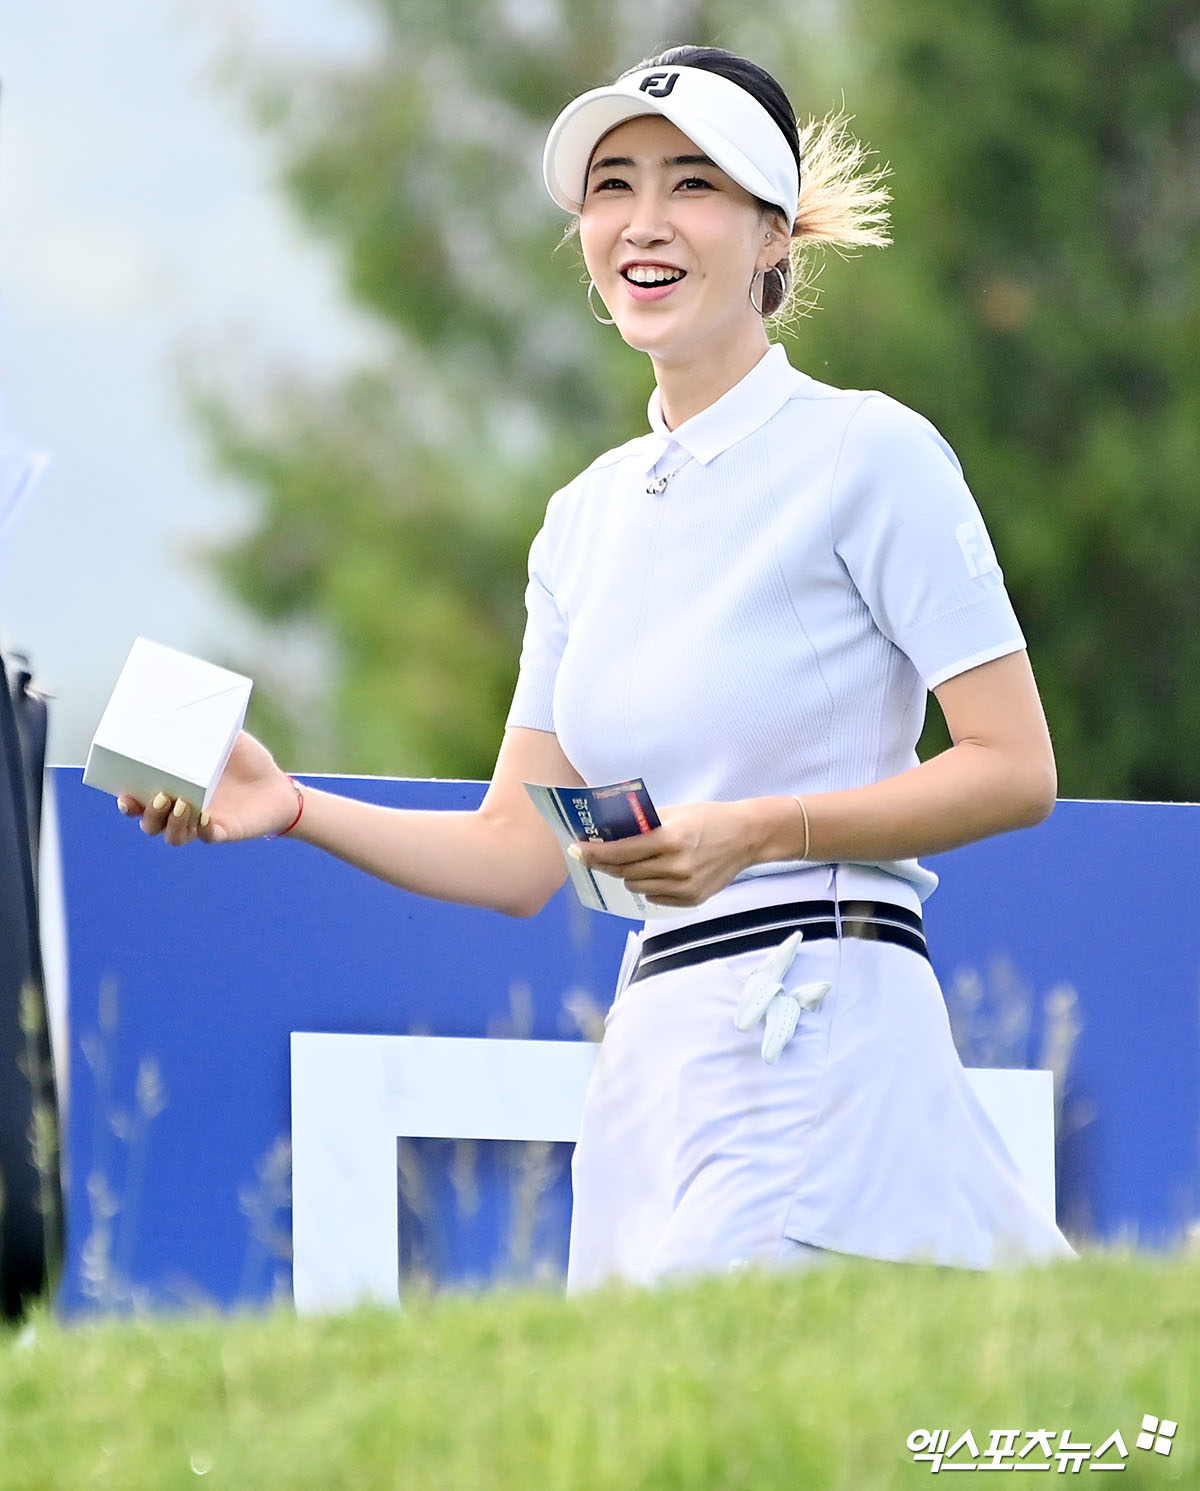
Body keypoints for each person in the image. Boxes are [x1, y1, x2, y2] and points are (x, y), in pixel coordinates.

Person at [123, 45, 1076, 1287]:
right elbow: (517, 854)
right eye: (613, 186)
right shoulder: (582, 518)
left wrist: (762, 830)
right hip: (651, 1060)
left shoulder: (870, 452)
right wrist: (293, 803)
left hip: (822, 1015)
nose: (644, 222)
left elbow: (1013, 767)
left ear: (774, 233)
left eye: (693, 184)